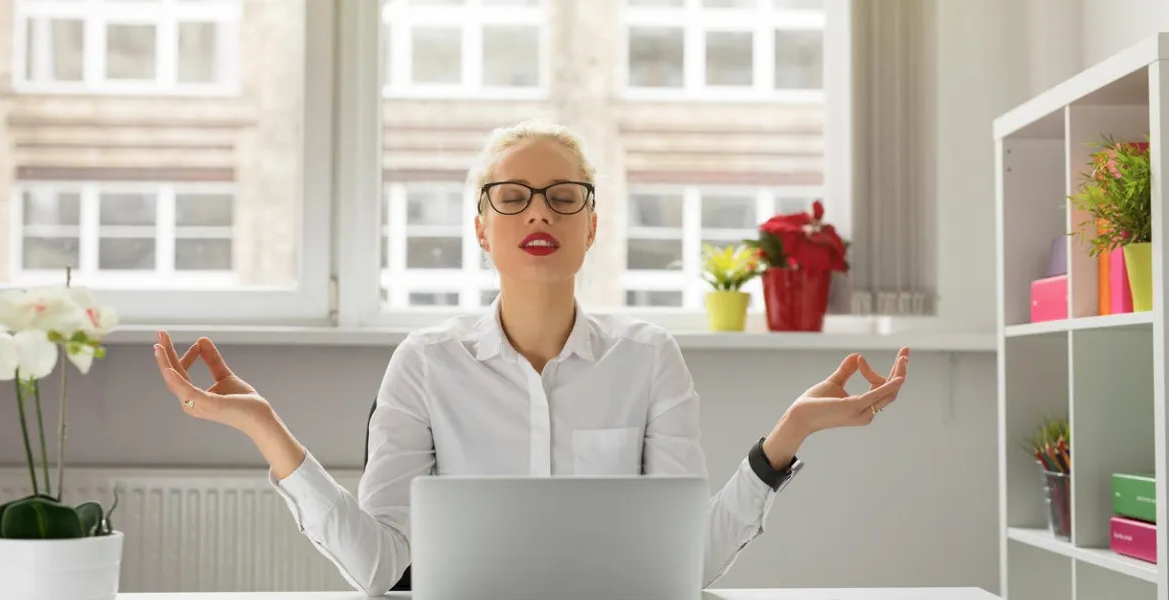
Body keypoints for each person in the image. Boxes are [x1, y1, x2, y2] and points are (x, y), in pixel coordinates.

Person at [152, 120, 909, 597]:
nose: (539, 211)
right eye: (510, 196)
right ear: (481, 230)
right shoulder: (424, 364)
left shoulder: (649, 359)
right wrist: (267, 432)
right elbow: (383, 570)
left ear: (592, 227)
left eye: (562, 196)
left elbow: (689, 567)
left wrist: (786, 439)